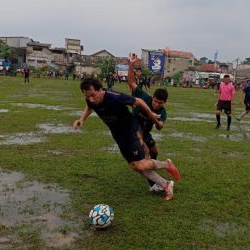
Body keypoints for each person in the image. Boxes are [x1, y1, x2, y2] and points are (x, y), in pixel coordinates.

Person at [73, 78, 180, 201]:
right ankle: (166, 184)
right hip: (118, 135)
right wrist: (82, 119)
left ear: (100, 90)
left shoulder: (115, 97)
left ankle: (167, 165)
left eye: (93, 95)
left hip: (130, 131)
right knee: (136, 166)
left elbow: (139, 101)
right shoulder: (91, 99)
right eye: (87, 96)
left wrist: (151, 114)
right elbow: (89, 106)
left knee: (141, 163)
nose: (91, 99)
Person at [128, 53, 169, 192]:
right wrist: (132, 65)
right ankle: (153, 184)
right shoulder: (145, 97)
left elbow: (160, 127)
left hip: (145, 132)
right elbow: (131, 83)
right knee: (145, 155)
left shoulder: (162, 112)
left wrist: (154, 119)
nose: (156, 104)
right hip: (133, 130)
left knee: (154, 152)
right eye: (155, 101)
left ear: (164, 103)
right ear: (153, 98)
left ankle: (152, 165)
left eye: (160, 103)